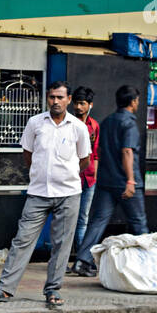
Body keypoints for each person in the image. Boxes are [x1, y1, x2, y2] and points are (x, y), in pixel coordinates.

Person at [0, 81, 91, 308]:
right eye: (52, 97)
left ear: (69, 100)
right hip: (38, 192)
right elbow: (28, 155)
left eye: (61, 97)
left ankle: (53, 290)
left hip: (69, 193)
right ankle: (4, 289)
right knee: (22, 240)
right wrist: (42, 174)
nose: (56, 102)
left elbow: (84, 160)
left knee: (61, 245)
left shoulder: (78, 127)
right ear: (46, 98)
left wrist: (67, 174)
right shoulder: (35, 123)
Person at [71, 84, 149, 278]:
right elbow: (127, 151)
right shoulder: (128, 123)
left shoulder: (106, 122)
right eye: (137, 100)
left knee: (97, 221)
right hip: (125, 183)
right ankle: (150, 264)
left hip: (106, 182)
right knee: (138, 222)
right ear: (132, 102)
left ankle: (81, 261)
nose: (137, 103)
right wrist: (130, 180)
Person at [68, 86, 100, 265]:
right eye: (76, 103)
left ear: (90, 105)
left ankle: (81, 260)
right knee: (68, 220)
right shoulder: (69, 123)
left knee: (83, 219)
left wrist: (94, 174)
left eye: (82, 103)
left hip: (88, 179)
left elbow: (95, 153)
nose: (78, 107)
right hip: (70, 178)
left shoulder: (94, 125)